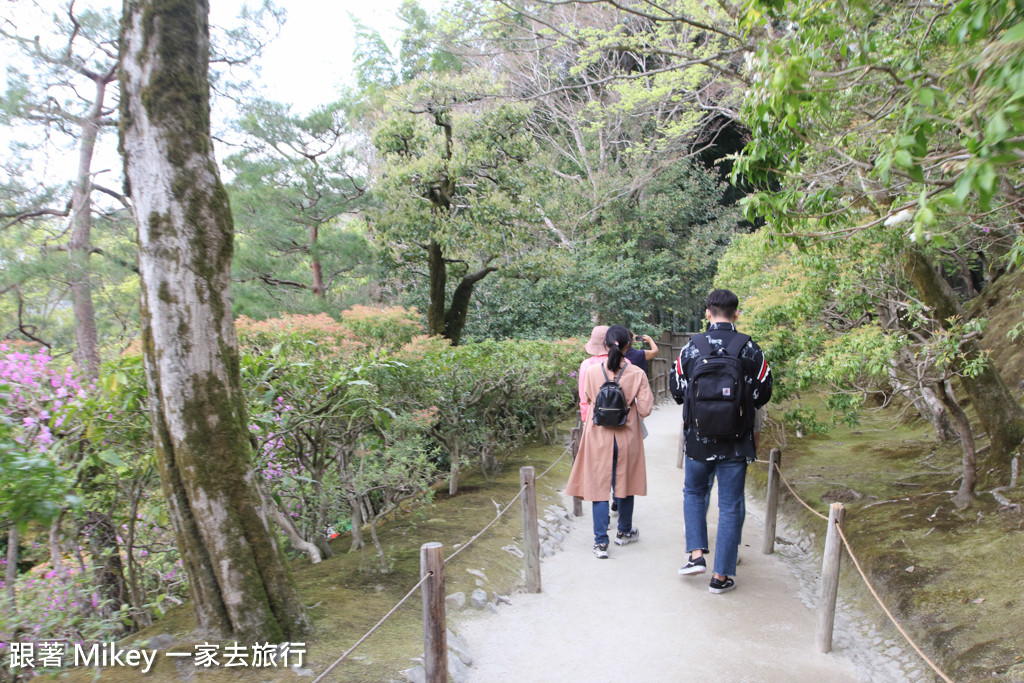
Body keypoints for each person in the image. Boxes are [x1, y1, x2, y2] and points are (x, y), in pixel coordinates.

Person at [670, 289, 772, 592]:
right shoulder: (750, 349)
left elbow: (677, 393)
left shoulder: (691, 349)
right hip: (736, 441)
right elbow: (763, 394)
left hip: (699, 441)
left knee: (693, 493)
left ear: (707, 313)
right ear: (736, 313)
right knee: (730, 505)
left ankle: (696, 555)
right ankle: (721, 576)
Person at [566, 325, 654, 559]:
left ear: (605, 346)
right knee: (625, 482)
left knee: (598, 486)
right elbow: (645, 409)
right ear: (627, 346)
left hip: (598, 436)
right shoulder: (637, 373)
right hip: (626, 436)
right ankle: (624, 532)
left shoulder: (593, 371)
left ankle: (600, 542)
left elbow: (586, 398)